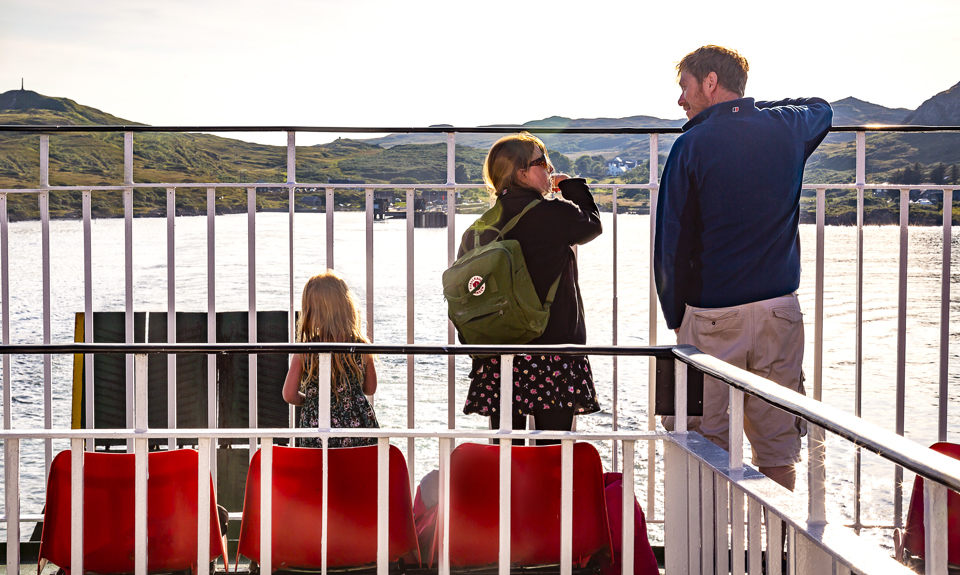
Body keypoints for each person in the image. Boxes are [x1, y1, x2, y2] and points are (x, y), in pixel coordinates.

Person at [653, 45, 833, 490]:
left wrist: (678, 320)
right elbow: (821, 109)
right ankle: (776, 555)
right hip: (780, 313)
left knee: (702, 442)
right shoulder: (787, 128)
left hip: (713, 318)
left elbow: (670, 245)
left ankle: (707, 556)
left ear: (709, 82)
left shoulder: (690, 144)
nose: (681, 101)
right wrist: (746, 110)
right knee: (778, 447)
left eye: (686, 88)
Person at [459, 132, 603, 445]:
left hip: (500, 354)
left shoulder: (480, 228)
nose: (550, 169)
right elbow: (592, 224)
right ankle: (549, 496)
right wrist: (571, 187)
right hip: (551, 351)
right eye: (543, 163)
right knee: (552, 451)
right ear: (522, 173)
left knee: (506, 449)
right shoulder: (554, 214)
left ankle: (507, 495)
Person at [282, 269, 379, 448]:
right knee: (358, 468)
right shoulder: (362, 346)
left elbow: (289, 394)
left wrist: (311, 400)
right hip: (358, 430)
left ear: (311, 312)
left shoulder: (305, 351)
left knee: (322, 471)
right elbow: (370, 388)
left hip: (319, 428)